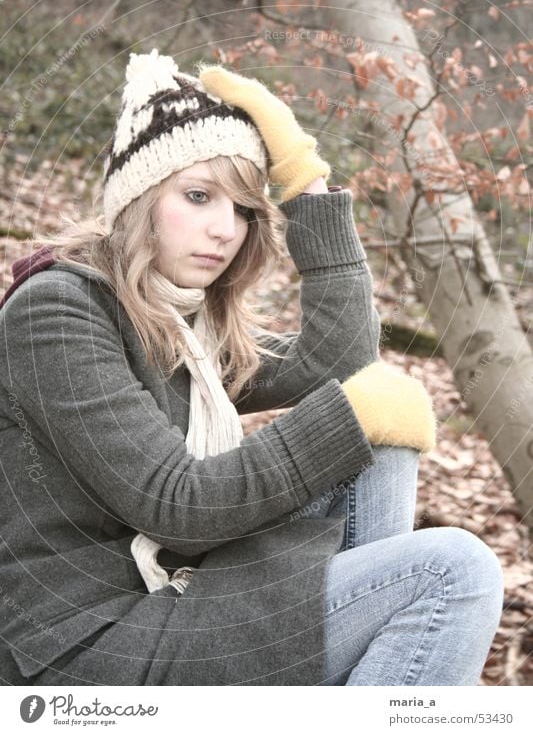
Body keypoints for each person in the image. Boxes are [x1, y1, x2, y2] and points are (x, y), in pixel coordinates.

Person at [0, 49, 504, 686]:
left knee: (381, 450)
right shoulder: (57, 313)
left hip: (171, 592)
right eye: (199, 196)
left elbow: (336, 361)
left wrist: (304, 178)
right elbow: (173, 503)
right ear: (137, 200)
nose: (224, 230)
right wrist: (350, 417)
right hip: (83, 646)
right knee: (450, 572)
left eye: (242, 209)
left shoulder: (184, 326)